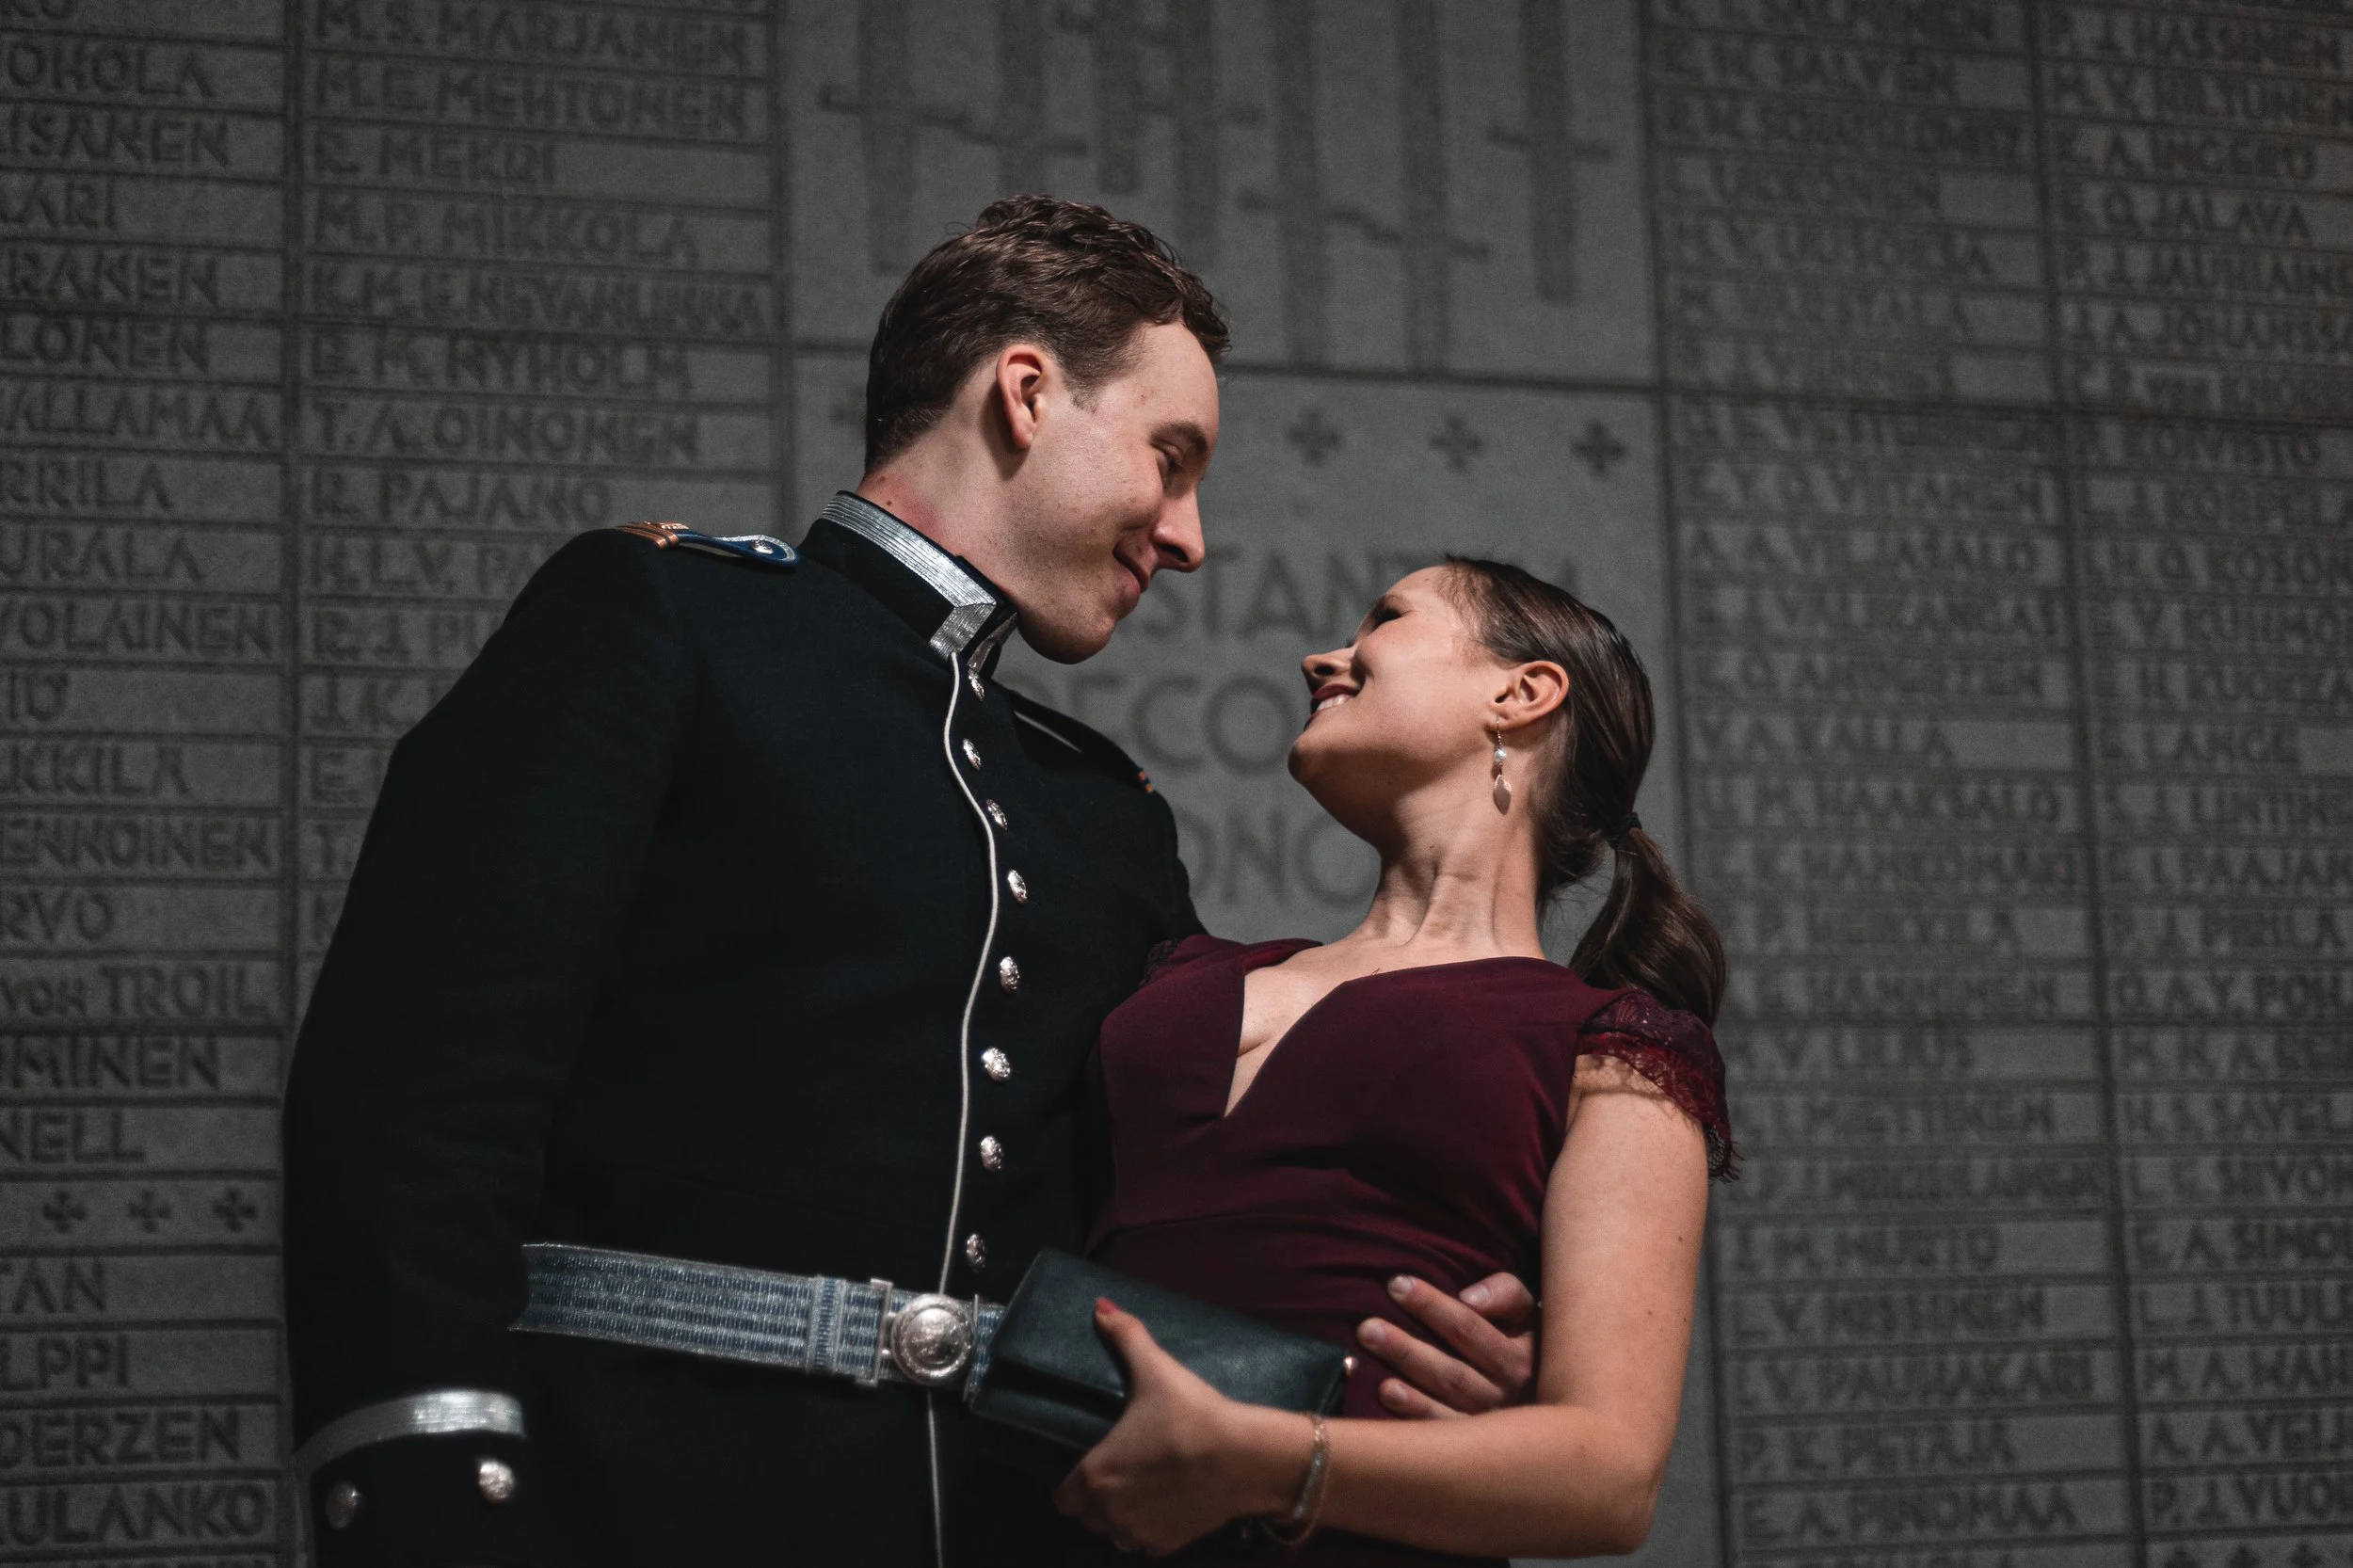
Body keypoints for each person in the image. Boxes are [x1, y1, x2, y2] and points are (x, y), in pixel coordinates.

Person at [280, 196, 1532, 1568]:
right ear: (1027, 391)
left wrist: (1398, 1376)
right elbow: (413, 1104)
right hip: (629, 1499)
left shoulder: (1105, 815)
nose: (1189, 536)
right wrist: (437, 1501)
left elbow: (1175, 1216)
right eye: (1171, 460)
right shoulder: (663, 622)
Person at [1047, 559, 1737, 1563]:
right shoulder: (1178, 968)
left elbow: (1607, 1477)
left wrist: (1261, 1460)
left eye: (1385, 618)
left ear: (1522, 693)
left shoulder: (1615, 1044)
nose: (1319, 656)